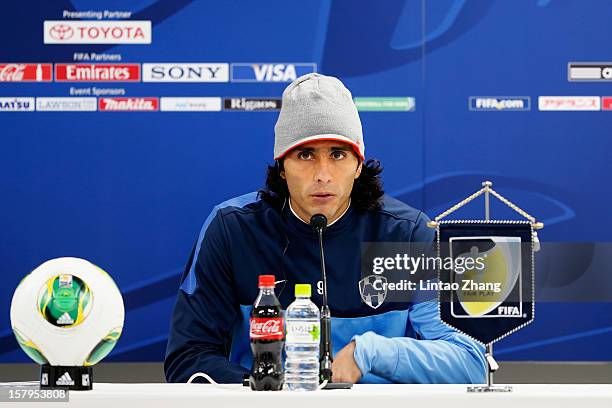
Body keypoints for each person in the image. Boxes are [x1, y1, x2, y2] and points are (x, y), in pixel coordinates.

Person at [164, 73, 486, 384]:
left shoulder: (406, 235)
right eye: (305, 154)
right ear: (282, 165)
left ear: (358, 164)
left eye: (338, 154)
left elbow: (471, 362)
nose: (323, 174)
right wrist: (273, 385)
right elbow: (189, 357)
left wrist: (372, 353)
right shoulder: (233, 230)